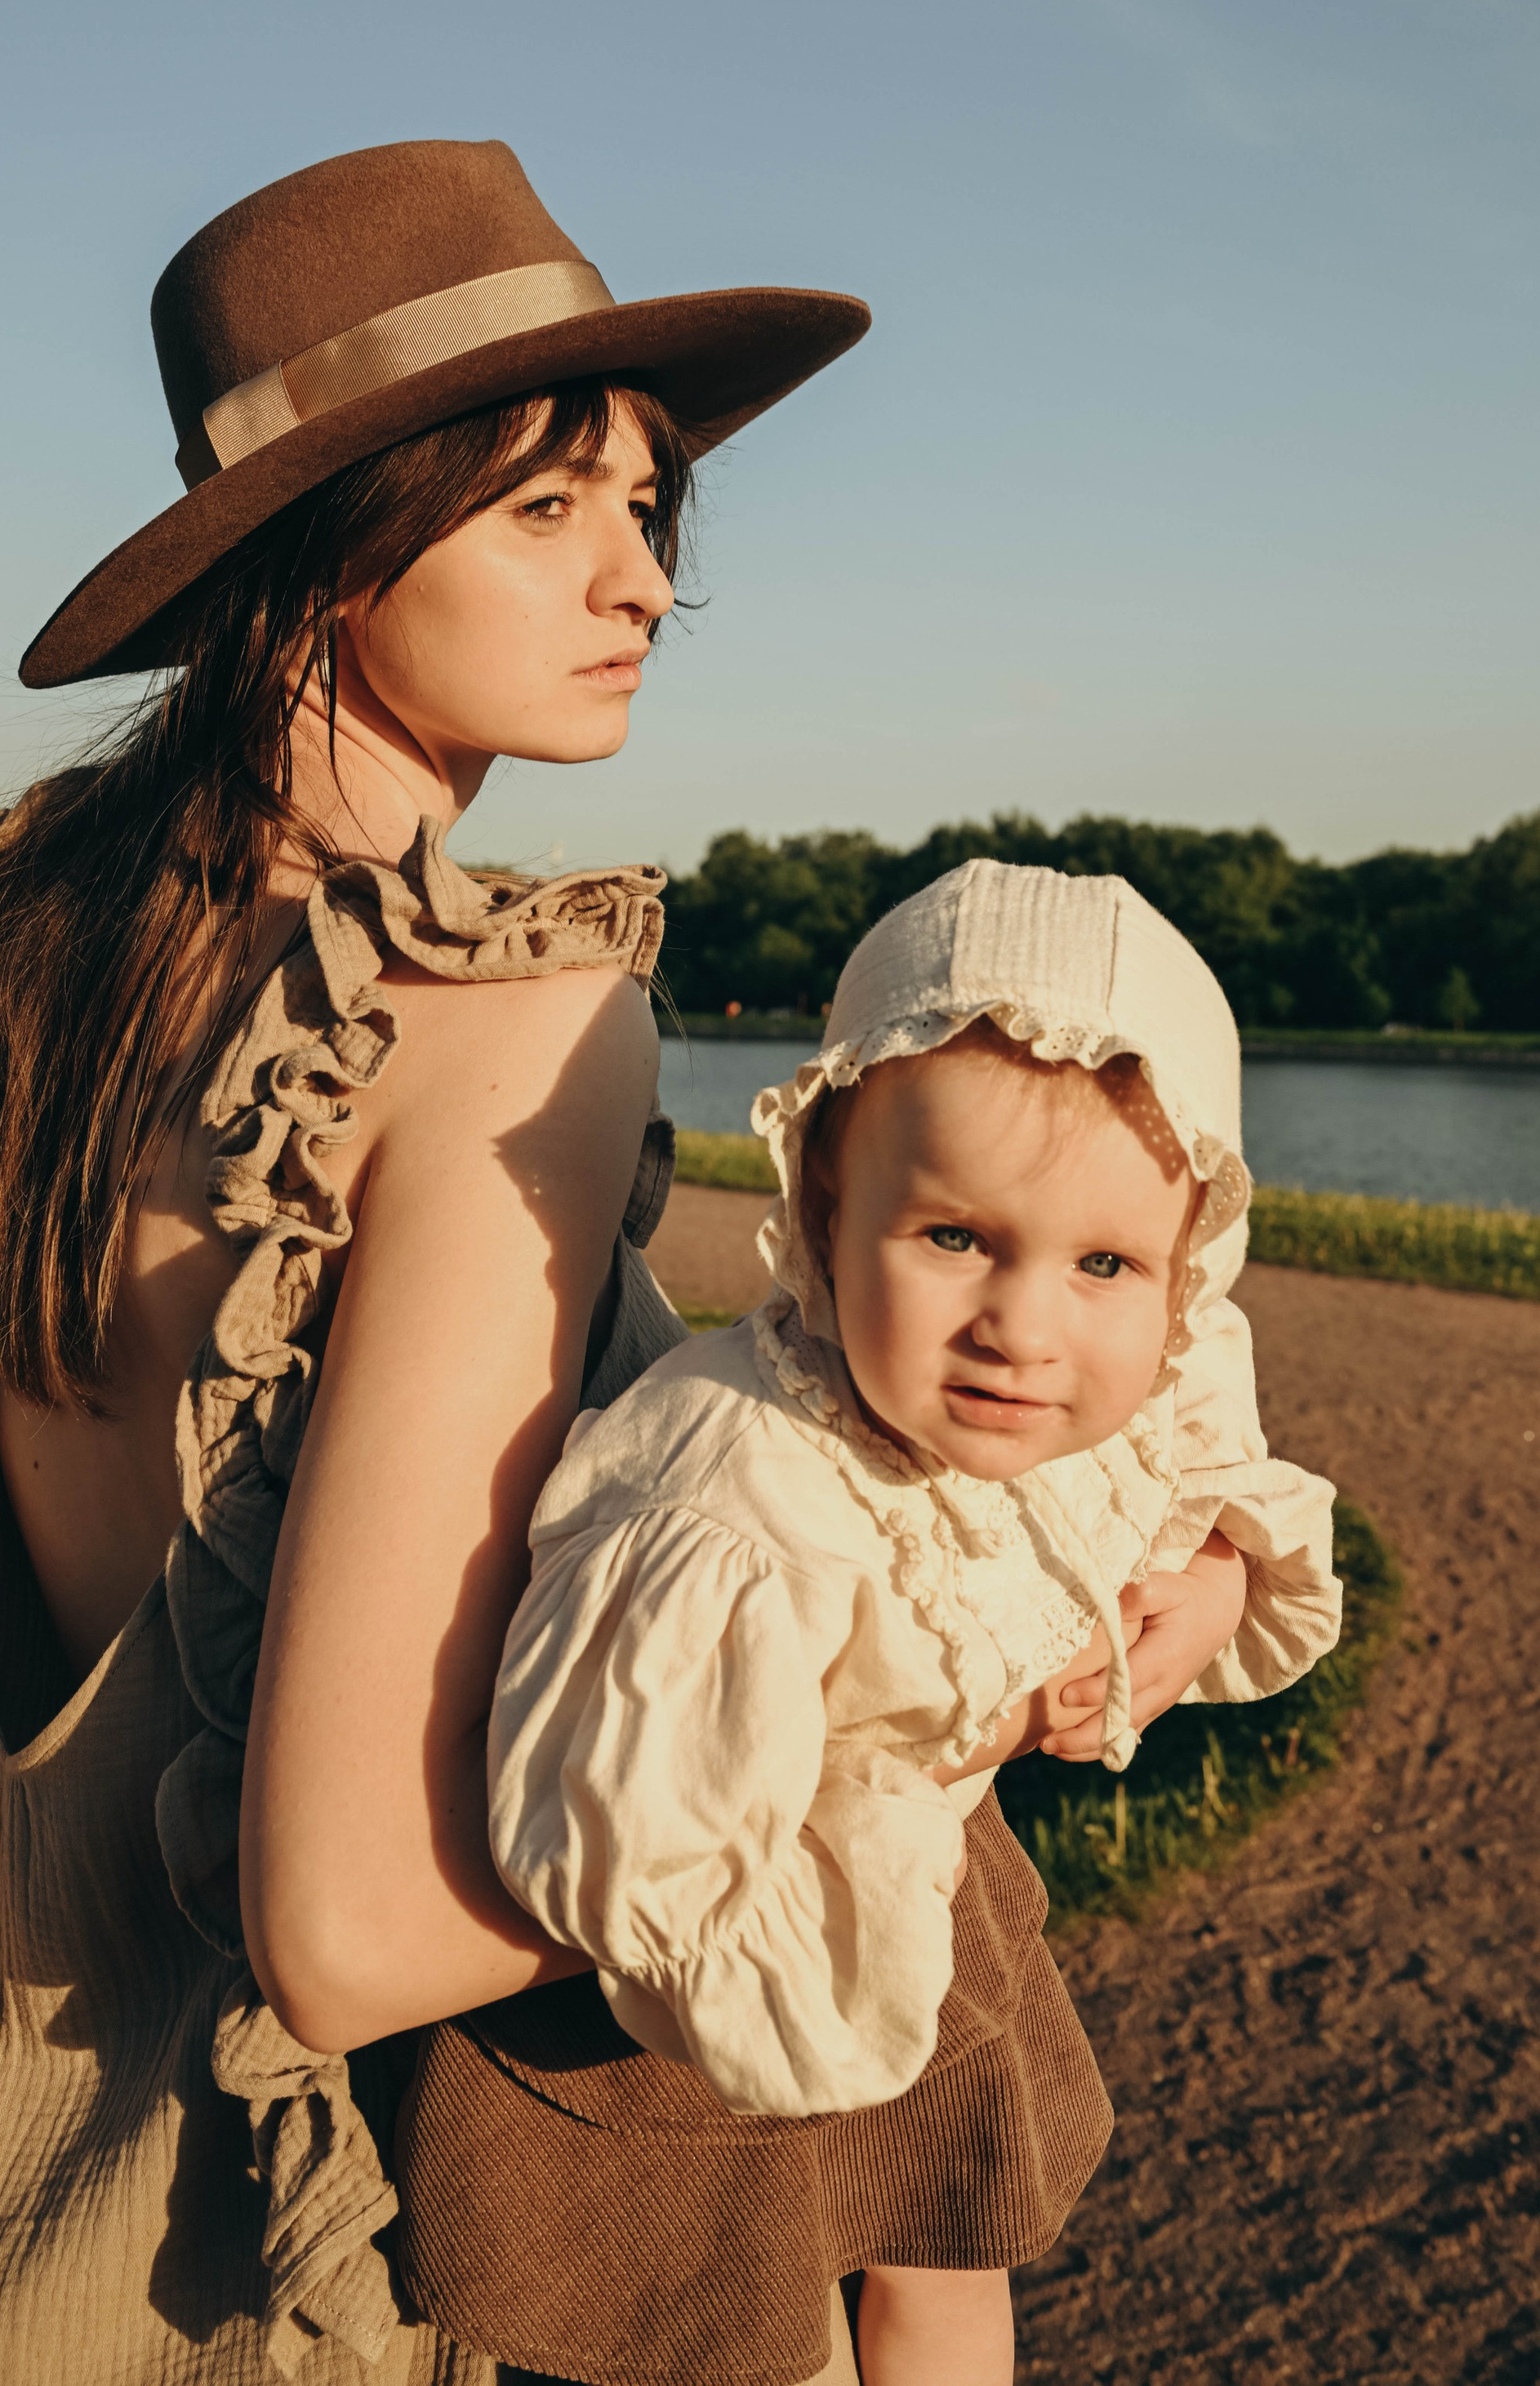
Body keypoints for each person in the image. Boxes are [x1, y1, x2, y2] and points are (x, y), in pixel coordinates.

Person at [0, 136, 874, 2382]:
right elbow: (352, 1928)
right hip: (242, 2263)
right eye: (547, 508)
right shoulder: (515, 1025)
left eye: (651, 505)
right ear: (331, 545)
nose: (642, 580)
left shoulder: (19, 949)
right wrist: (872, 1737)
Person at [398, 858, 1342, 2386]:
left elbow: (1206, 1463)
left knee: (950, 2265)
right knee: (758, 2352)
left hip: (913, 1922)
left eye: (1105, 1265)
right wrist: (919, 1795)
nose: (1024, 1330)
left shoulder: (1132, 1366)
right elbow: (633, 1861)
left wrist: (1209, 1583)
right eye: (955, 1240)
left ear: (1183, 1271)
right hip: (695, 2032)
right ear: (827, 1210)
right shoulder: (737, 1496)